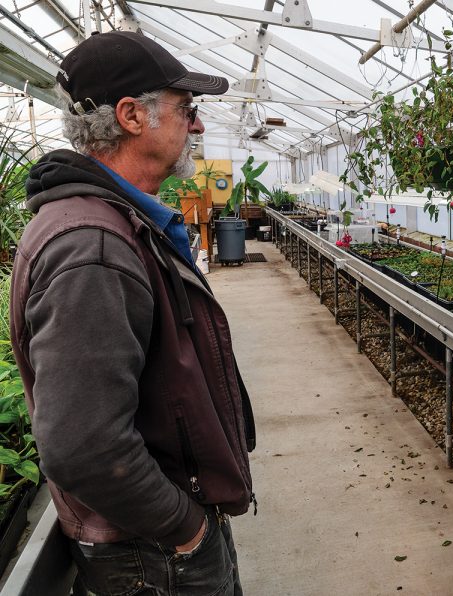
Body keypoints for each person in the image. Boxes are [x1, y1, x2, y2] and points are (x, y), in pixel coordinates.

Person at [10, 31, 255, 595]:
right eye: (186, 109)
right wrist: (185, 528)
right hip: (154, 555)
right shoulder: (92, 247)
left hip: (156, 545)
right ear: (131, 116)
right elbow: (83, 444)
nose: (195, 125)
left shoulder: (113, 224)